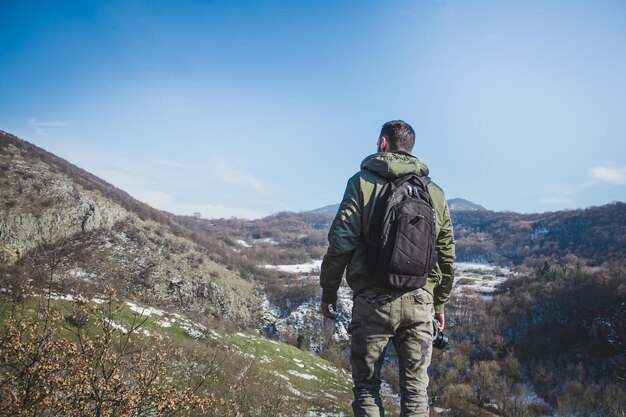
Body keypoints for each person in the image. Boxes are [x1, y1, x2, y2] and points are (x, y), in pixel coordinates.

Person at [319, 120, 455, 417]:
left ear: (383, 143)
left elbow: (340, 242)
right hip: (420, 303)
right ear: (411, 148)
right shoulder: (435, 193)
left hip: (372, 302)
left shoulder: (362, 182)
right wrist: (439, 303)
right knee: (416, 392)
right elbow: (446, 253)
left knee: (367, 388)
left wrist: (328, 290)